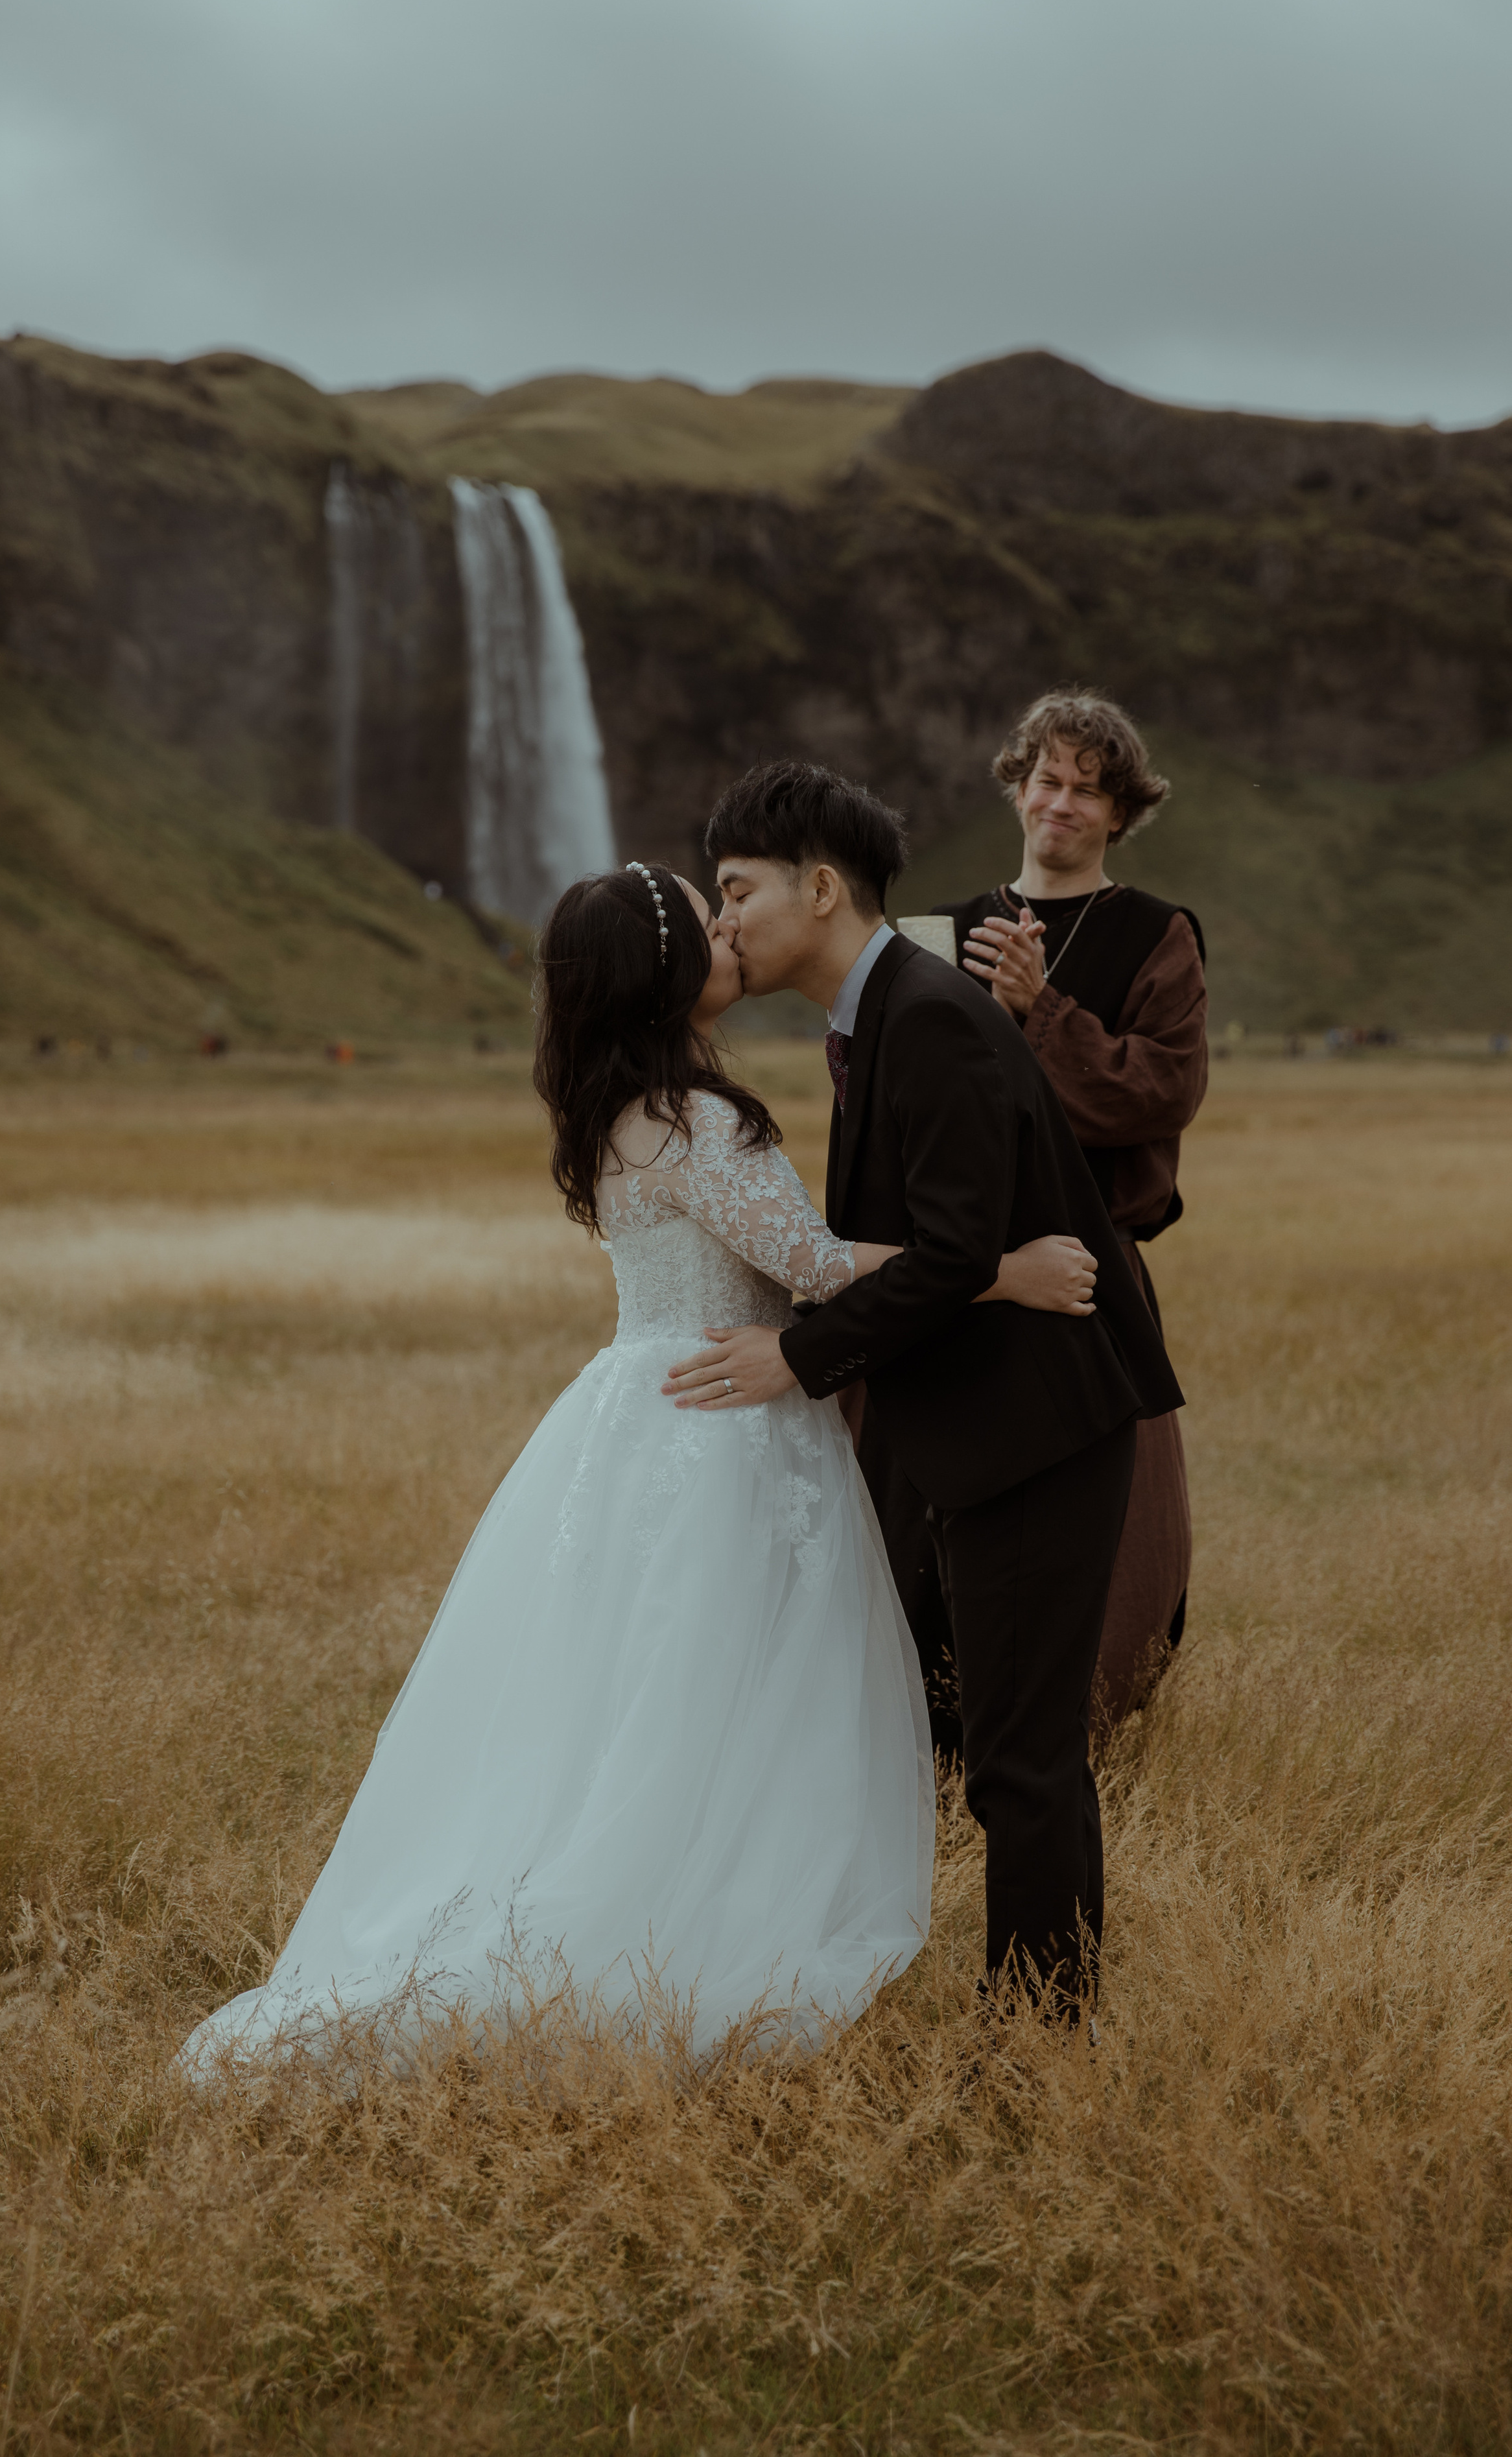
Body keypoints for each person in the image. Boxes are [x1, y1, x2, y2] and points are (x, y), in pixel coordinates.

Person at [180, 867, 1094, 2076]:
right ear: (667, 973)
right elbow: (814, 1269)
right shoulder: (701, 1119)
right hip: (723, 1425)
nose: (729, 933)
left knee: (636, 1691)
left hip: (636, 1414)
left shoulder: (620, 1113)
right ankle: (679, 1939)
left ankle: (654, 1910)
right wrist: (1003, 1271)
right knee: (731, 1694)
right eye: (704, 921)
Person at [668, 764, 1183, 2015]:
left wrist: (793, 1358)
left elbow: (953, 1251)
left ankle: (1042, 2035)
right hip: (970, 1423)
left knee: (1023, 1758)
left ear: (824, 886)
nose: (724, 921)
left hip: (1040, 1430)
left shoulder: (934, 1013)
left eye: (738, 891)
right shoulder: (886, 1010)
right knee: (987, 1745)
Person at [937, 689, 1208, 1733]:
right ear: (1016, 787)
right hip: (960, 1270)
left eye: (1089, 791)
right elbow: (902, 1103)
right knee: (935, 1506)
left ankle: (1087, 1729)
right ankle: (937, 1734)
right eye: (1047, 780)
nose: (1063, 804)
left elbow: (1161, 1090)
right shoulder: (945, 932)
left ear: (1120, 813)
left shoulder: (1156, 935)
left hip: (1096, 1273)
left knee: (1115, 1530)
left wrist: (1039, 1013)